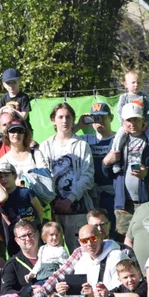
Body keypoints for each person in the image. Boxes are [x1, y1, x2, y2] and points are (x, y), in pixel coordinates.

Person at [39, 102, 94, 249]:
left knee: (81, 253)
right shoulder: (45, 146)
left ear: (73, 120)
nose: (64, 121)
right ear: (53, 120)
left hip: (78, 210)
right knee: (55, 255)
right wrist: (55, 201)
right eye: (60, 117)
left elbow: (88, 177)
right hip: (53, 211)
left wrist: (70, 199)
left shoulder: (82, 145)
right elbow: (42, 177)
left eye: (68, 117)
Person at [104, 104, 149, 236]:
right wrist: (106, 163)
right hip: (123, 206)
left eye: (136, 119)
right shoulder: (116, 143)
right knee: (123, 242)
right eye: (129, 120)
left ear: (143, 120)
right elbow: (106, 174)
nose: (132, 123)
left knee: (148, 238)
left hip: (148, 203)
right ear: (122, 122)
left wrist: (148, 172)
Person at [1, 220, 42, 297]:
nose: (28, 238)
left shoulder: (51, 257)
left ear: (37, 234)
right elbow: (6, 291)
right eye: (23, 236)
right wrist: (29, 291)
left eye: (30, 234)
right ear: (17, 241)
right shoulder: (12, 264)